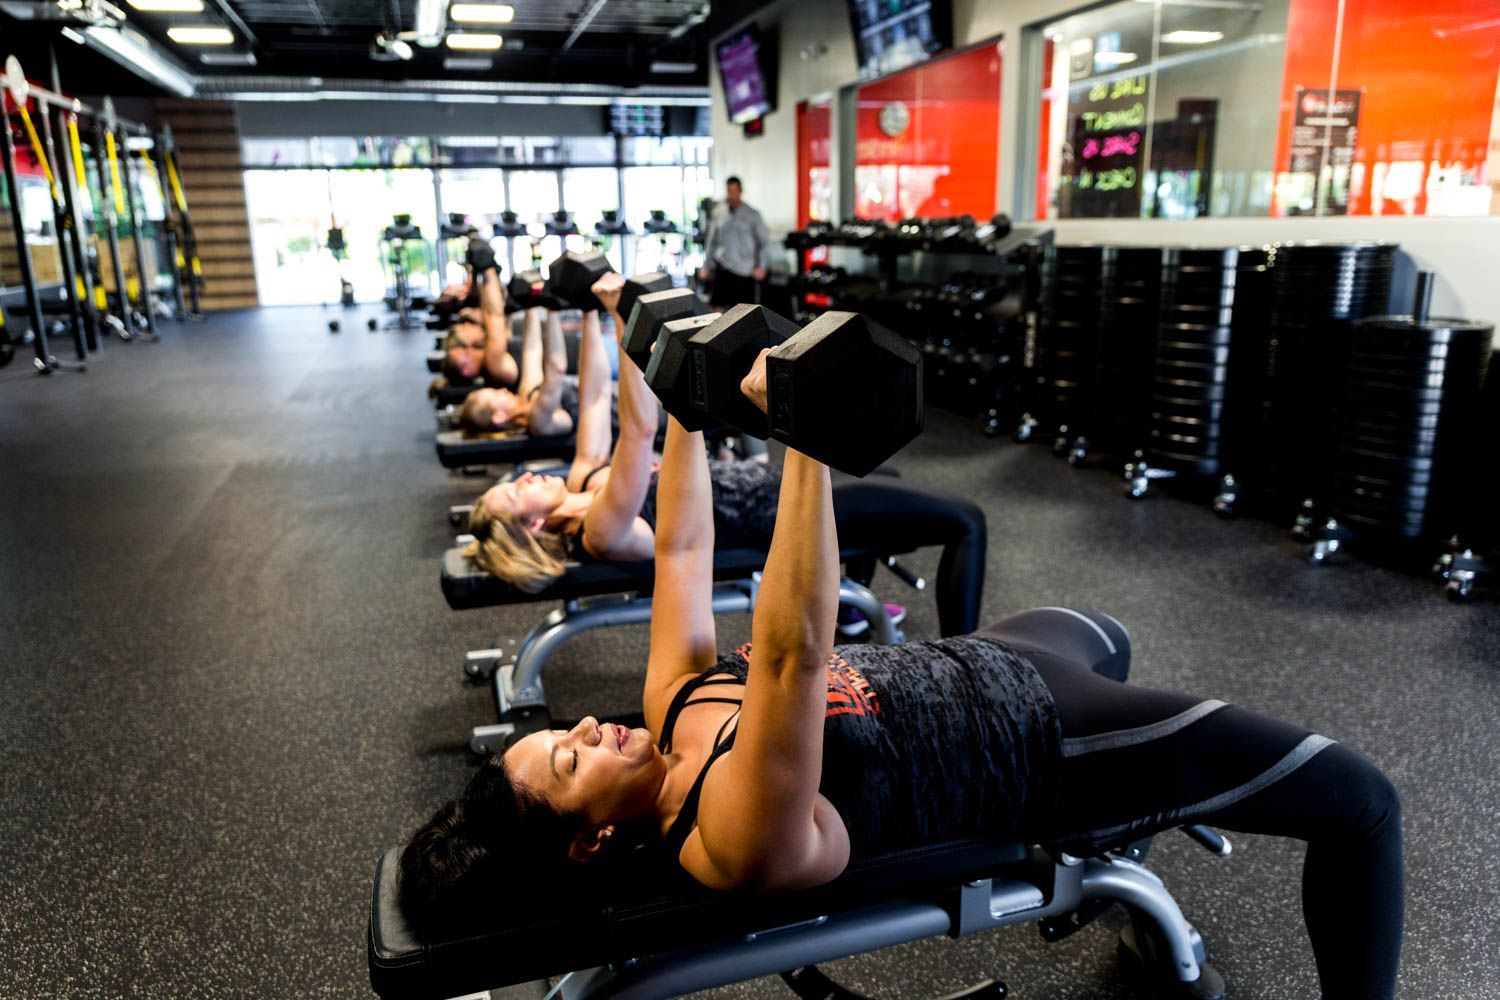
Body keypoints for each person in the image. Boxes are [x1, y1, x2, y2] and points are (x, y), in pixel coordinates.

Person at [403, 353, 1405, 1000]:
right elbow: (792, 648)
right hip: (1043, 736)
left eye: (563, 732)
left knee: (1109, 626)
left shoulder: (670, 714)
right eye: (572, 763)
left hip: (993, 655)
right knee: (1362, 803)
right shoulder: (729, 836)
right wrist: (803, 430)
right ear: (592, 843)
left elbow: (679, 555)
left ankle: (1111, 864)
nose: (588, 726)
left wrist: (685, 402)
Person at [464, 272, 984, 638]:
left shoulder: (582, 478)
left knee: (879, 468)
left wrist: (594, 313)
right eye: (516, 491)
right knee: (967, 521)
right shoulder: (600, 531)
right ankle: (968, 667)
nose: (528, 475)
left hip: (768, 486)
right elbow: (641, 429)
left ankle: (847, 604)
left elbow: (598, 396)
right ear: (532, 528)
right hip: (779, 517)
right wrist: (629, 328)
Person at [456, 306, 591, 439]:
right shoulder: (539, 421)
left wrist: (529, 305)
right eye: (496, 395)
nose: (502, 390)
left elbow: (532, 351)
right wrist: (552, 310)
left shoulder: (526, 396)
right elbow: (556, 368)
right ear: (499, 417)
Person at [439, 242, 519, 388]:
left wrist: (479, 272)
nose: (469, 349)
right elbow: (493, 315)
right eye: (465, 354)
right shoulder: (492, 364)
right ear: (467, 371)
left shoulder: (489, 360)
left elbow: (488, 311)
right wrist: (488, 269)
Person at [697, 177, 772, 307]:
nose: (731, 194)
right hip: (723, 267)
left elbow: (764, 243)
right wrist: (706, 265)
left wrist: (761, 266)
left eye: (734, 190)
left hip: (744, 271)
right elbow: (712, 241)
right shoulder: (719, 213)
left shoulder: (753, 215)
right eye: (729, 190)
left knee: (744, 315)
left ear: (740, 191)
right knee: (716, 310)